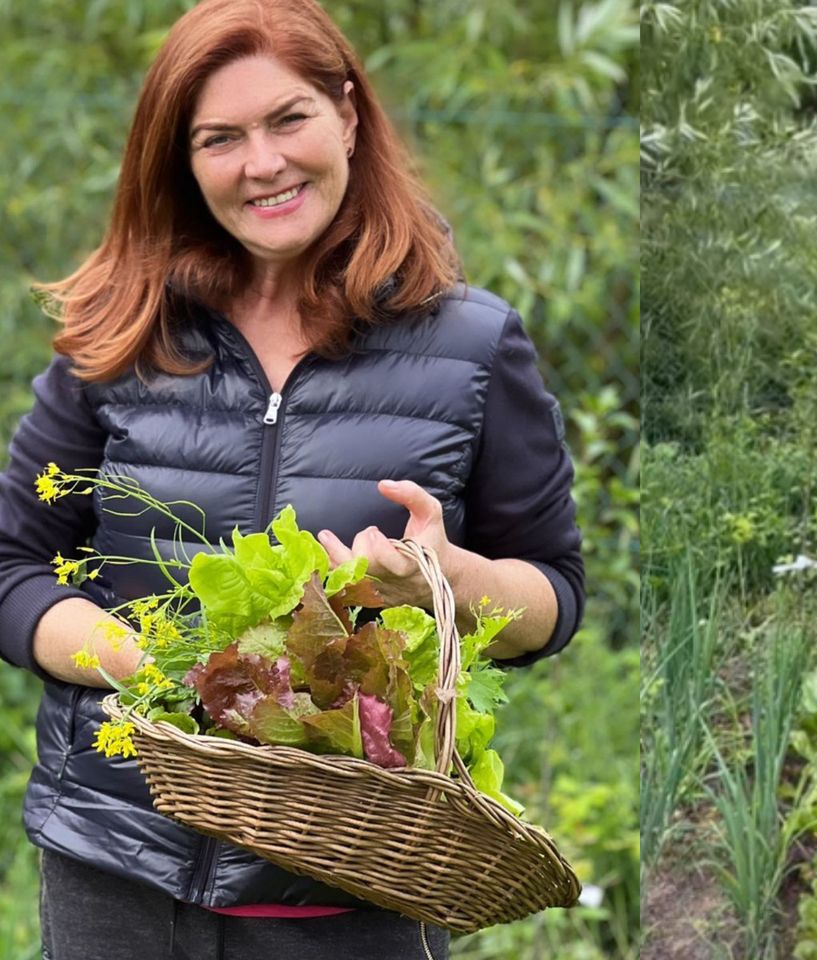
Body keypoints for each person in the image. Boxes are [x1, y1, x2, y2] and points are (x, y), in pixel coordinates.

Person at [0, 1, 584, 957]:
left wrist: (450, 580)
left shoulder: (471, 345)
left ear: (348, 116)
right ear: (181, 164)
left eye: (288, 119)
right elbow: (12, 566)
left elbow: (555, 597)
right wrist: (149, 669)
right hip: (117, 873)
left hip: (355, 891)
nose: (261, 163)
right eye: (219, 138)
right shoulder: (122, 335)